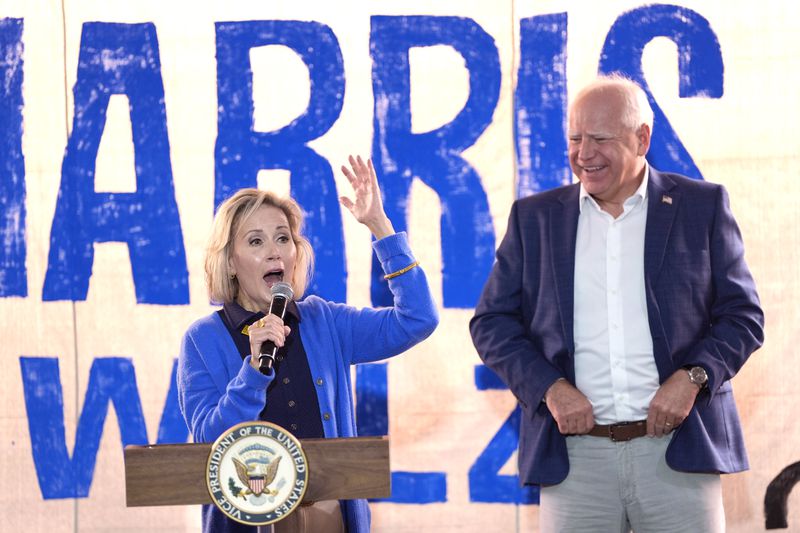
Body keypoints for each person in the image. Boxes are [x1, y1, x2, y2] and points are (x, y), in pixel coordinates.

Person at [469, 75, 764, 532]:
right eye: (574, 138)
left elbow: (743, 316)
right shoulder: (535, 219)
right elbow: (491, 322)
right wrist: (550, 387)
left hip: (678, 454)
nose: (583, 154)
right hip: (574, 461)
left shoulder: (701, 207)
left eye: (600, 139)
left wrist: (693, 378)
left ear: (641, 138)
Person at [178, 155, 438, 533]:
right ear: (230, 262)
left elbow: (417, 319)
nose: (275, 251)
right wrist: (253, 373)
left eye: (283, 238)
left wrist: (380, 227)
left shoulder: (323, 321)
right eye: (256, 241)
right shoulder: (202, 340)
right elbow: (210, 444)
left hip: (330, 518)